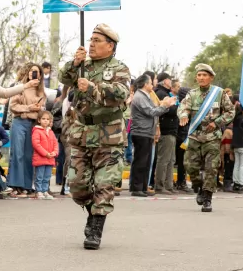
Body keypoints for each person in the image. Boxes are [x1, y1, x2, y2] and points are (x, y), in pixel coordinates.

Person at [59, 23, 130, 250]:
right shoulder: (83, 65)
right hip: (82, 133)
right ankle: (92, 210)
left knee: (105, 183)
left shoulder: (119, 68)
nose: (91, 44)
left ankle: (96, 228)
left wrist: (91, 87)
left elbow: (120, 94)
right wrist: (75, 63)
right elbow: (64, 77)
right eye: (90, 40)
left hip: (109, 134)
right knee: (77, 185)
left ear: (110, 46)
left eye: (97, 41)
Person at [178, 63, 235, 212]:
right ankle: (199, 187)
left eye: (204, 75)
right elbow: (183, 107)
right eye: (199, 75)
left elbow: (230, 112)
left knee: (211, 168)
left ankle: (208, 199)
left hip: (212, 138)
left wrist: (217, 123)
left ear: (211, 77)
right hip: (195, 137)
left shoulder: (219, 93)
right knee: (189, 165)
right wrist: (183, 115)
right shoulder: (192, 94)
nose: (201, 78)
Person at [130, 74, 176, 197]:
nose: (153, 85)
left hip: (147, 132)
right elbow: (151, 112)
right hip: (141, 132)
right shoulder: (140, 96)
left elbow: (155, 110)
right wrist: (165, 105)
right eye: (150, 83)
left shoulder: (146, 96)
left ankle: (143, 187)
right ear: (145, 84)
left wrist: (165, 106)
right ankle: (137, 188)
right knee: (141, 161)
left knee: (146, 162)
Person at [7, 63, 46, 197]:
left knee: (29, 155)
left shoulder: (41, 91)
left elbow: (43, 108)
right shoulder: (21, 87)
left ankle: (27, 186)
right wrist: (28, 108)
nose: (33, 74)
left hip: (34, 124)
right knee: (17, 154)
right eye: (31, 71)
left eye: (36, 72)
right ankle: (15, 185)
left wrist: (40, 110)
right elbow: (13, 106)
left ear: (40, 75)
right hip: (20, 121)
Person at [154, 72, 180, 194]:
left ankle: (169, 185)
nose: (171, 82)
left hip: (171, 130)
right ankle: (160, 185)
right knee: (163, 159)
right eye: (170, 80)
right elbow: (167, 110)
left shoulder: (166, 93)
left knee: (171, 160)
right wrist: (174, 106)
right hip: (165, 130)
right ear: (165, 81)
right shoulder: (160, 93)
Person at [32, 111, 59, 200]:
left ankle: (45, 191)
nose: (45, 121)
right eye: (43, 119)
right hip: (40, 159)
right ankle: (38, 191)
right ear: (39, 120)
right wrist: (45, 153)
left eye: (47, 119)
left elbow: (55, 143)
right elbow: (36, 144)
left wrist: (54, 153)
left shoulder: (50, 132)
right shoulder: (36, 131)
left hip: (50, 159)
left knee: (47, 176)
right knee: (39, 176)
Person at [174, 86, 192, 193]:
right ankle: (181, 182)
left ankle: (181, 181)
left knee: (182, 161)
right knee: (182, 161)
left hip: (183, 136)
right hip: (181, 137)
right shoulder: (181, 107)